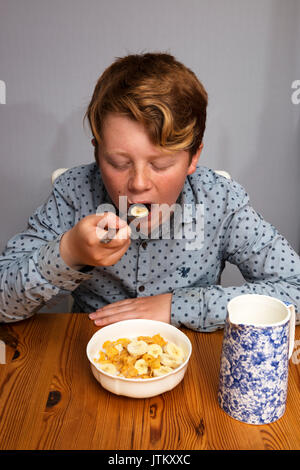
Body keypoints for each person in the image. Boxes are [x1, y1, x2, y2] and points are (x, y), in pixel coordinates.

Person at [0, 52, 299, 330]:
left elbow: (295, 288)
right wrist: (69, 251)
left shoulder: (220, 201)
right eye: (118, 163)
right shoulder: (73, 193)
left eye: (161, 164)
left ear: (193, 156)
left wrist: (177, 306)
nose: (139, 183)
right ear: (97, 153)